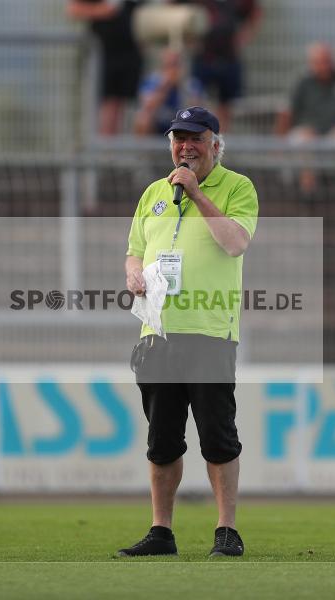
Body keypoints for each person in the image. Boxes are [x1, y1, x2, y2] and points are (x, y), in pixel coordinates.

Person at [120, 106, 258, 557]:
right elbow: (134, 251)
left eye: (196, 138)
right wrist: (133, 273)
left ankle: (226, 530)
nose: (186, 146)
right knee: (162, 441)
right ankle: (161, 531)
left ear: (215, 144)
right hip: (157, 333)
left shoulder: (237, 187)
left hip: (210, 332)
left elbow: (235, 243)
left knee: (218, 437)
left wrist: (196, 193)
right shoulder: (154, 193)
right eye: (179, 138)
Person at [275, 42, 335, 194]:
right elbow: (286, 114)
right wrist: (279, 144)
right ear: (311, 63)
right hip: (307, 133)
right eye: (319, 62)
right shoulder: (302, 82)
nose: (324, 66)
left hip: (334, 133)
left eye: (327, 61)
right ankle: (308, 190)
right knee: (307, 140)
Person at [171, 0, 262, 132]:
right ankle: (197, 135)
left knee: (226, 106)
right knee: (195, 101)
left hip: (229, 58)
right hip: (203, 58)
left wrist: (245, 36)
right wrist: (186, 36)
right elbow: (173, 5)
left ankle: (219, 139)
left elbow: (255, 12)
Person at [67, 0, 143, 136]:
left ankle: (116, 146)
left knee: (130, 111)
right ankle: (103, 146)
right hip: (103, 56)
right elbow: (73, 9)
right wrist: (103, 10)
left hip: (131, 55)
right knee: (107, 108)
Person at [133, 48, 204, 136]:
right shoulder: (152, 80)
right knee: (143, 118)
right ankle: (144, 145)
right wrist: (165, 87)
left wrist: (182, 87)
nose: (172, 69)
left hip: (182, 122)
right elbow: (147, 106)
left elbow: (197, 110)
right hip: (158, 121)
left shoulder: (191, 83)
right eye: (168, 65)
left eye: (175, 65)